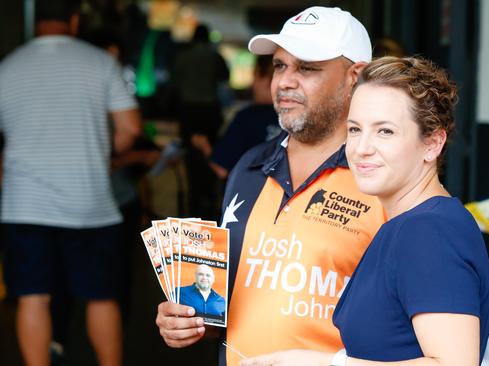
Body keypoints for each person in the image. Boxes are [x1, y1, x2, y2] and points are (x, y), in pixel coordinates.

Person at [155, 6, 386, 365]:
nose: (285, 82)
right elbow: (227, 304)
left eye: (306, 68)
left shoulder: (384, 179)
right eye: (280, 66)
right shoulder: (249, 166)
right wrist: (188, 320)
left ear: (355, 76)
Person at [241, 56, 489, 366]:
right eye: (355, 129)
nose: (362, 147)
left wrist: (324, 363)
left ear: (432, 143)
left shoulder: (429, 230)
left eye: (385, 131)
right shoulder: (409, 223)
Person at [0, 0, 141, 365]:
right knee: (100, 296)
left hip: (24, 205)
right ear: (74, 20)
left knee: (33, 296)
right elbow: (130, 128)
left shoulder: (8, 67)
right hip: (90, 204)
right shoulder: (100, 62)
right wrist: (101, 152)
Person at [171, 23, 230, 220]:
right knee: (212, 155)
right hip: (209, 113)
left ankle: (193, 205)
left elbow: (175, 84)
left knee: (191, 158)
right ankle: (210, 202)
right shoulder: (215, 56)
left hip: (189, 113)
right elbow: (225, 76)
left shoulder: (183, 57)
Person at [191, 55, 281, 179]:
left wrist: (204, 145)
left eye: (254, 76)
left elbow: (221, 169)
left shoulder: (247, 117)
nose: (252, 85)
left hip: (252, 195)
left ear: (266, 80)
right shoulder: (294, 118)